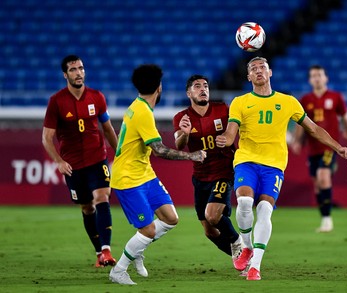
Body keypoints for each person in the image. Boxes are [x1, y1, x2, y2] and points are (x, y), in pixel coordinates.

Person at [215, 57, 347, 281]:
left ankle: (255, 267)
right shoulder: (240, 102)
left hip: (274, 166)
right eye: (253, 69)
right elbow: (232, 132)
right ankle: (247, 246)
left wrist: (339, 148)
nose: (259, 71)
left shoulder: (288, 102)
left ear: (270, 72)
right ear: (248, 77)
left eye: (262, 67)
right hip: (246, 160)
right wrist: (224, 139)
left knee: (264, 210)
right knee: (243, 202)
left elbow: (313, 129)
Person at [109, 64, 206, 285]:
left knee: (171, 219)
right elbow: (160, 150)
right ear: (159, 88)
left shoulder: (138, 106)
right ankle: (118, 270)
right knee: (148, 229)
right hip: (127, 178)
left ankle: (138, 248)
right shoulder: (142, 112)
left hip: (144, 174)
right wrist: (191, 156)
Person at [42, 55, 119, 267]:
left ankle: (107, 251)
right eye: (74, 69)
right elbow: (47, 138)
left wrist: (119, 152)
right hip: (73, 166)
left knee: (103, 197)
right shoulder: (57, 102)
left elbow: (107, 128)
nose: (79, 73)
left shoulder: (97, 97)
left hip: (97, 159)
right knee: (87, 208)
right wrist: (58, 161)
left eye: (81, 68)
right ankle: (98, 253)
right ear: (65, 75)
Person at [173, 75, 242, 264]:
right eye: (197, 86)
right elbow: (179, 144)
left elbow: (240, 129)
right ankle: (243, 257)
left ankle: (238, 243)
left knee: (212, 215)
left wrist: (229, 138)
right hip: (201, 176)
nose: (203, 89)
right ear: (189, 93)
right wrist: (185, 135)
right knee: (210, 232)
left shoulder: (222, 109)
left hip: (224, 172)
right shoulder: (181, 118)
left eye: (205, 86)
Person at [291, 65, 347, 232]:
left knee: (323, 176)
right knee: (317, 184)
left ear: (326, 78)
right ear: (310, 80)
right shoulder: (305, 99)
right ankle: (324, 218)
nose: (317, 78)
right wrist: (297, 141)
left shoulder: (336, 97)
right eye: (314, 76)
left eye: (320, 75)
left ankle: (328, 219)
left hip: (330, 147)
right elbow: (301, 123)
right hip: (313, 149)